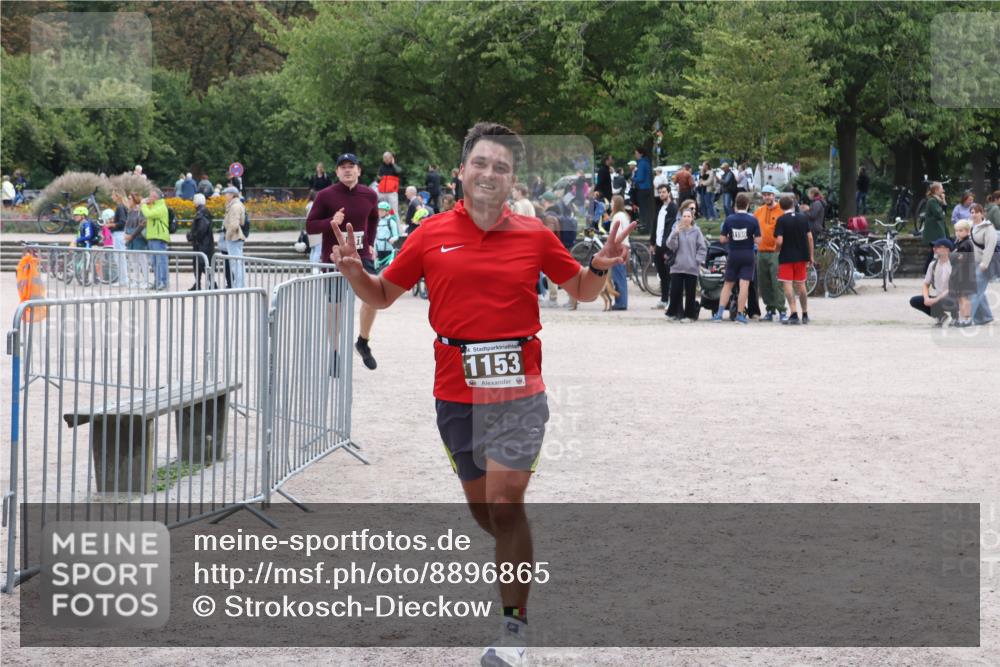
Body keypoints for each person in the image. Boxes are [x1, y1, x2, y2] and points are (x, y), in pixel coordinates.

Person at [328, 122, 634, 667]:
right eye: (481, 164)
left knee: (505, 501)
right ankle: (515, 553)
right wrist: (355, 272)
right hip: (455, 392)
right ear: (462, 172)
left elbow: (582, 291)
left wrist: (597, 267)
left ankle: (513, 630)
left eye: (502, 167)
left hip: (520, 389)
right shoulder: (429, 234)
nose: (490, 173)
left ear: (513, 179)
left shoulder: (535, 235)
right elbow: (381, 294)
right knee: (484, 511)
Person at [305, 152, 381, 370]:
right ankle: (335, 353)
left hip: (361, 256)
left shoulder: (369, 195)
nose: (347, 170)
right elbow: (310, 226)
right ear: (337, 171)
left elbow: (374, 219)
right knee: (335, 308)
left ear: (359, 170)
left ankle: (363, 342)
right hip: (334, 257)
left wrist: (371, 242)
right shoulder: (325, 195)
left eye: (352, 166)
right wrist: (331, 221)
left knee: (374, 297)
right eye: (343, 167)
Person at [714, 192, 761, 324]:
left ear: (735, 205)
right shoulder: (753, 220)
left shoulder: (729, 219)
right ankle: (740, 314)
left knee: (728, 284)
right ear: (748, 205)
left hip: (733, 254)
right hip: (747, 254)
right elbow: (758, 240)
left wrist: (732, 238)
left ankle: (719, 314)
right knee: (744, 284)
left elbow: (722, 239)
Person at [774, 195, 814, 325]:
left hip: (786, 256)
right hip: (802, 256)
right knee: (801, 285)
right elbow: (810, 238)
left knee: (788, 284)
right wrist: (811, 256)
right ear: (793, 205)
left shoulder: (781, 220)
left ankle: (793, 313)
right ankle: (805, 313)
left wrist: (776, 249)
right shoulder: (803, 218)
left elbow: (780, 240)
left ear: (781, 207)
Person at [664, 207, 707, 322]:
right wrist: (675, 234)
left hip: (691, 267)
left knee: (690, 292)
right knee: (675, 291)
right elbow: (670, 245)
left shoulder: (696, 231)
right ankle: (672, 313)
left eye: (689, 216)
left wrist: (697, 261)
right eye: (684, 216)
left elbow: (702, 248)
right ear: (681, 217)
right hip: (677, 266)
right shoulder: (676, 228)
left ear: (692, 218)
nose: (686, 218)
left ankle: (690, 315)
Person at [754, 184, 786, 321]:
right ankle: (770, 310)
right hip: (761, 251)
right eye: (764, 194)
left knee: (776, 282)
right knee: (764, 283)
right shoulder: (759, 211)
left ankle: (782, 311)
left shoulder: (781, 211)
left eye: (769, 194)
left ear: (774, 195)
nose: (767, 197)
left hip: (776, 252)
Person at [910, 238, 958, 325]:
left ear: (947, 250)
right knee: (914, 300)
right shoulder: (933, 265)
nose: (934, 249)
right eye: (934, 247)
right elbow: (926, 284)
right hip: (939, 298)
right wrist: (926, 298)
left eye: (938, 247)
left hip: (954, 298)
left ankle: (956, 317)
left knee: (948, 299)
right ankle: (940, 316)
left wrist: (935, 300)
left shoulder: (955, 264)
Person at [649, 184, 677, 309]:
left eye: (664, 192)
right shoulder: (659, 207)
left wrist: (668, 247)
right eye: (660, 192)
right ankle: (664, 299)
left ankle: (672, 300)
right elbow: (655, 226)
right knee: (662, 274)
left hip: (667, 246)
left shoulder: (673, 208)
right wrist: (652, 243)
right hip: (658, 245)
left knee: (670, 274)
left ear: (669, 193)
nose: (662, 194)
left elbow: (671, 228)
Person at [969, 203, 996, 325]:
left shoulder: (989, 228)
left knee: (974, 290)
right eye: (972, 212)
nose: (973, 214)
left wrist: (985, 263)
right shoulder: (970, 226)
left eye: (976, 212)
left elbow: (990, 247)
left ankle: (966, 318)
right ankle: (985, 317)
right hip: (971, 263)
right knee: (979, 291)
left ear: (982, 213)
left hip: (984, 264)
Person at [140, 189, 171, 290]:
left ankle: (163, 282)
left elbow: (148, 214)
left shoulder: (161, 206)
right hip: (153, 237)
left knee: (161, 260)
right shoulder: (154, 206)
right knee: (154, 261)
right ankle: (157, 282)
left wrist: (143, 205)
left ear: (156, 197)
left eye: (151, 196)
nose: (149, 198)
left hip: (159, 236)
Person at [608, 195, 632, 311]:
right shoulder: (624, 215)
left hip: (618, 249)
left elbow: (617, 234)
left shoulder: (617, 216)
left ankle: (621, 303)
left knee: (618, 276)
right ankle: (622, 301)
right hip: (624, 248)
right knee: (621, 276)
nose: (611, 204)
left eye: (612, 202)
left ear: (616, 204)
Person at [187, 193, 215, 290]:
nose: (193, 202)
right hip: (205, 244)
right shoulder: (204, 212)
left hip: (202, 245)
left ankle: (211, 284)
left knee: (201, 265)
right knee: (200, 265)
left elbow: (201, 230)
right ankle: (200, 284)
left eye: (194, 200)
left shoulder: (201, 213)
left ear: (196, 202)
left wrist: (191, 236)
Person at [222, 186, 246, 289]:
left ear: (232, 194)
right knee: (237, 263)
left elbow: (235, 224)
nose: (225, 195)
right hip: (235, 237)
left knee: (235, 264)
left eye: (226, 193)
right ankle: (239, 284)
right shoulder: (235, 205)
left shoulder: (235, 206)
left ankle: (239, 285)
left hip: (234, 238)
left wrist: (227, 236)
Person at [922, 182, 950, 270]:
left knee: (936, 251)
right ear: (936, 190)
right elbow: (939, 214)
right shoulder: (932, 201)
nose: (943, 190)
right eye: (941, 188)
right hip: (934, 232)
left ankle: (930, 270)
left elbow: (944, 212)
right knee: (935, 251)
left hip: (938, 230)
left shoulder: (938, 200)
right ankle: (927, 270)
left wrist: (944, 201)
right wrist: (942, 213)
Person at [123, 193, 149, 288]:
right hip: (130, 236)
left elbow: (142, 224)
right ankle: (136, 280)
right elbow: (127, 224)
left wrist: (132, 235)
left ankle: (146, 281)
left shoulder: (140, 210)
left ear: (134, 199)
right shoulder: (130, 211)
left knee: (142, 260)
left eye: (130, 198)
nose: (128, 200)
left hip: (138, 237)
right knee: (132, 260)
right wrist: (126, 234)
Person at [110, 190, 130, 286]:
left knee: (119, 258)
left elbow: (122, 222)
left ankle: (123, 280)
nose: (111, 197)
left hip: (119, 234)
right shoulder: (122, 206)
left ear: (117, 196)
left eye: (113, 195)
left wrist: (111, 224)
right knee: (120, 257)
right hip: (120, 234)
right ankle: (123, 279)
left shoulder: (120, 207)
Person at [632, 148, 654, 232]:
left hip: (642, 188)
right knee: (647, 209)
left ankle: (644, 227)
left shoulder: (641, 163)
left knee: (643, 209)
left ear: (641, 154)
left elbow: (640, 178)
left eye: (636, 153)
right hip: (647, 188)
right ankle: (647, 226)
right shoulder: (647, 162)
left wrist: (633, 178)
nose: (635, 155)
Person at [375, 200, 400, 267]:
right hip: (379, 249)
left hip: (388, 248)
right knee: (379, 267)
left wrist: (392, 239)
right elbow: (376, 237)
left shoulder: (391, 222)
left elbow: (396, 236)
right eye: (379, 210)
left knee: (387, 267)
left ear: (387, 211)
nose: (380, 212)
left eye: (382, 211)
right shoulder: (378, 221)